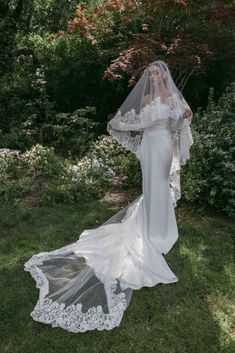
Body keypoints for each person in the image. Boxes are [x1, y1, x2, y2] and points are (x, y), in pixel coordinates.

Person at [24, 60, 194, 333]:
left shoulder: (173, 96)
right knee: (150, 188)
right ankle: (151, 231)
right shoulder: (148, 97)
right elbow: (138, 123)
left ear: (164, 74)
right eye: (149, 73)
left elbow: (176, 125)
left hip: (163, 145)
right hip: (149, 145)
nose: (152, 76)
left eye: (156, 72)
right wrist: (117, 123)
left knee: (161, 185)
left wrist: (184, 116)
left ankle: (164, 231)